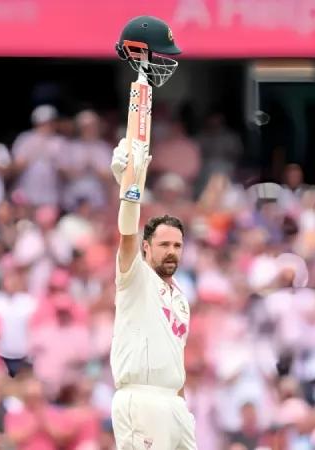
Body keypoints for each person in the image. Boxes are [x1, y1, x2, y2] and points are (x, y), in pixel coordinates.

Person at [108, 135, 197, 449]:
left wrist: (181, 405)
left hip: (174, 404)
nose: (171, 251)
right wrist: (130, 190)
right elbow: (127, 235)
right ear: (147, 247)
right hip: (140, 399)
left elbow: (175, 360)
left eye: (177, 245)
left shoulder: (181, 299)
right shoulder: (136, 278)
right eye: (164, 245)